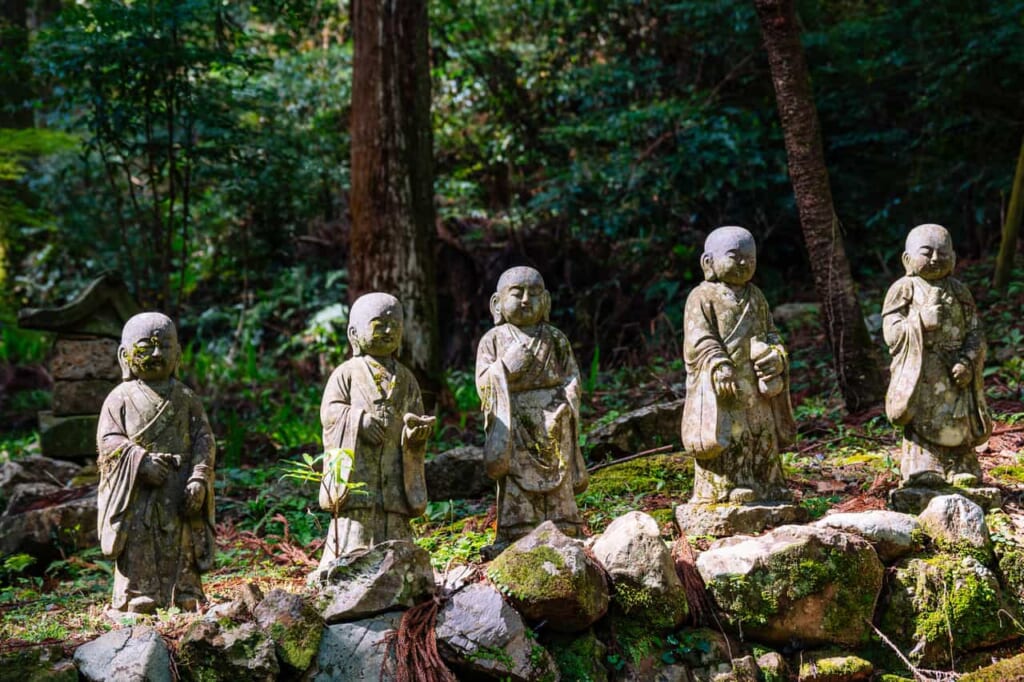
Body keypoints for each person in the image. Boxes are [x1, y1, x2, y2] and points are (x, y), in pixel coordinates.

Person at [96, 312, 215, 613]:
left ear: (178, 352)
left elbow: (204, 439)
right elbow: (108, 442)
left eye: (165, 346)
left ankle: (186, 589)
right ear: (125, 355)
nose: (157, 354)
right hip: (138, 491)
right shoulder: (118, 398)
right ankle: (137, 592)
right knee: (139, 539)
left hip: (179, 487)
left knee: (183, 539)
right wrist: (139, 461)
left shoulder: (186, 397)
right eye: (146, 347)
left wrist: (199, 477)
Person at [681, 226, 796, 504]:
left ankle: (768, 482)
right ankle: (727, 486)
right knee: (732, 434)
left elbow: (771, 333)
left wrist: (775, 355)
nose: (744, 263)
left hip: (756, 385)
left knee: (761, 433)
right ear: (708, 263)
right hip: (726, 384)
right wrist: (718, 364)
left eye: (750, 258)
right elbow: (698, 339)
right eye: (735, 256)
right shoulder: (702, 297)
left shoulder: (756, 297)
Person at [476, 266, 588, 545]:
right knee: (516, 483)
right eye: (518, 293)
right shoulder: (493, 340)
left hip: (555, 420)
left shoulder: (555, 338)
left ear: (546, 301)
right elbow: (483, 383)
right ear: (497, 303)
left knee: (560, 484)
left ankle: (564, 525)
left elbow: (572, 377)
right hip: (514, 422)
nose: (526, 300)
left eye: (535, 294)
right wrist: (503, 369)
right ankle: (518, 528)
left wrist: (566, 403)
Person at [318, 292, 432, 565]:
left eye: (395, 325)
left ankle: (401, 567)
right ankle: (346, 567)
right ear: (354, 333)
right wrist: (358, 420)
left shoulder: (406, 379)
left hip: (394, 472)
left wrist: (415, 434)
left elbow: (414, 416)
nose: (389, 331)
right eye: (379, 324)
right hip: (359, 475)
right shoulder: (346, 373)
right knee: (356, 530)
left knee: (396, 531)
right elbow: (329, 413)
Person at [883, 223, 991, 487]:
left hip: (955, 370)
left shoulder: (960, 292)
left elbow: (976, 332)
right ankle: (923, 468)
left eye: (942, 254)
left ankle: (961, 465)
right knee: (923, 420)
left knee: (959, 421)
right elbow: (891, 332)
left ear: (953, 258)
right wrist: (920, 322)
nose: (934, 259)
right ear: (907, 259)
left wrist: (967, 360)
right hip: (922, 370)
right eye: (926, 252)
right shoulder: (904, 288)